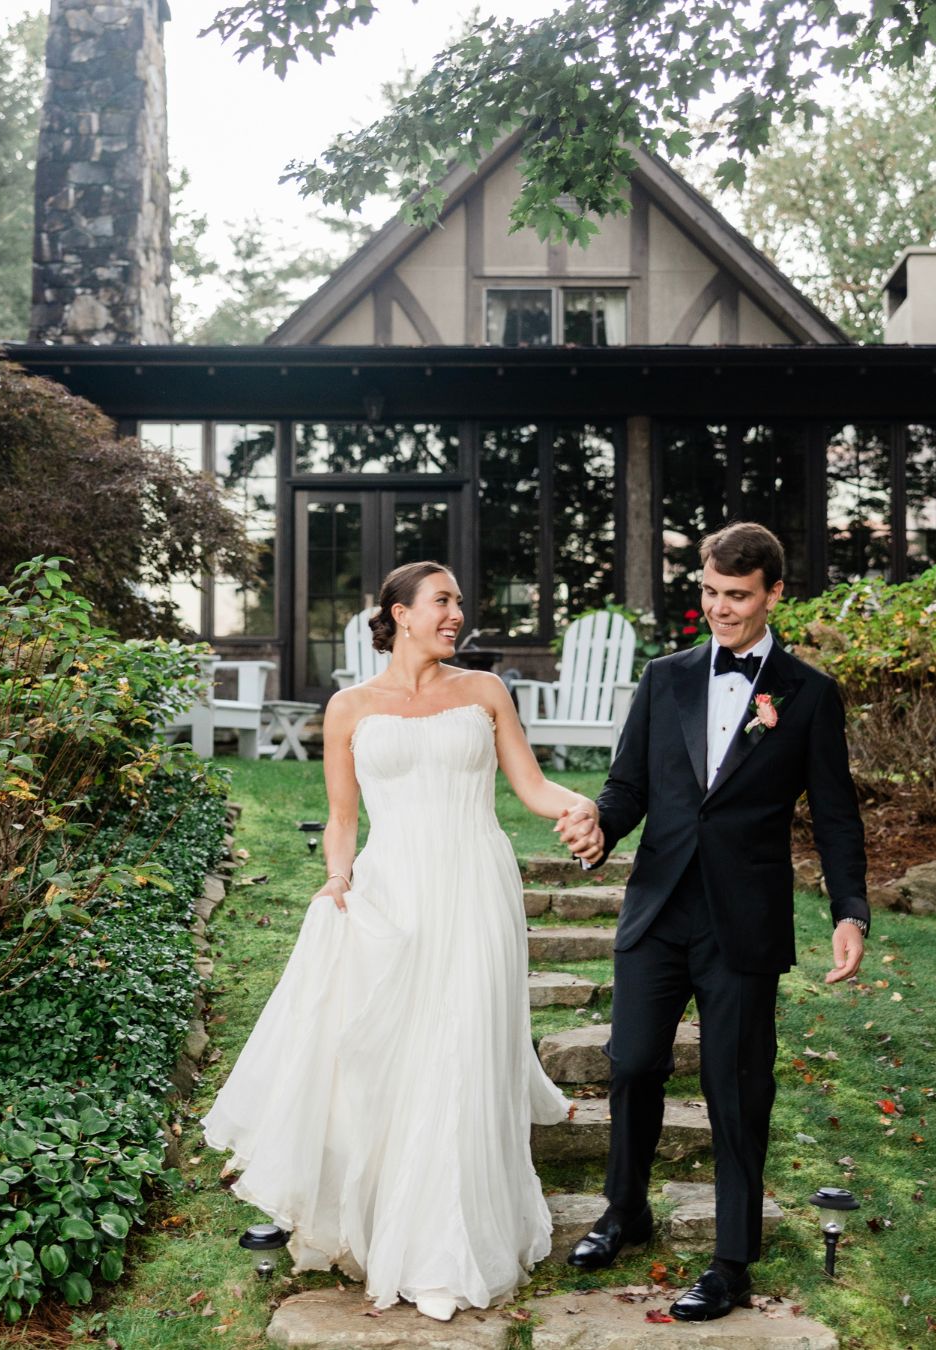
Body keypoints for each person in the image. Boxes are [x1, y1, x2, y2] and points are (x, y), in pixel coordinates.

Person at [203, 560, 599, 1323]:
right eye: (443, 601)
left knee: (464, 1050)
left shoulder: (485, 693)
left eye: (458, 601)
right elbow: (343, 818)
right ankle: (394, 1227)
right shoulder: (349, 707)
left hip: (477, 888)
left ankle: (454, 1246)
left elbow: (531, 787)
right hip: (395, 892)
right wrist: (338, 879)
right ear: (401, 613)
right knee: (398, 1055)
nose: (457, 613)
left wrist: (580, 804)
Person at [556, 522, 869, 1322]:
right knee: (630, 1066)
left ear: (772, 594)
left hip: (743, 922)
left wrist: (849, 910)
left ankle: (731, 1261)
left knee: (736, 1091)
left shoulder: (809, 694)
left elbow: (835, 816)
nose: (720, 609)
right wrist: (599, 826)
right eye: (709, 592)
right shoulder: (664, 679)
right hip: (658, 908)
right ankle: (626, 1212)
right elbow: (627, 787)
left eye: (737, 596)